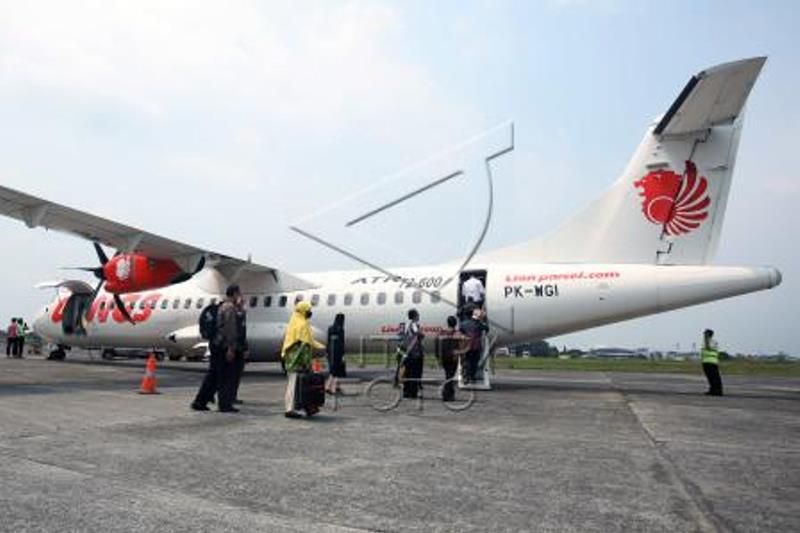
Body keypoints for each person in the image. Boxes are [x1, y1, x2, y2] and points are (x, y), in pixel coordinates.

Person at [281, 301, 325, 418]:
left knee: (293, 384)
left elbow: (307, 340)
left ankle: (297, 407)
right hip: (297, 359)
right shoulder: (302, 324)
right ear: (303, 311)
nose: (310, 312)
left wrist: (319, 346)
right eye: (308, 310)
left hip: (291, 357)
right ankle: (290, 409)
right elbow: (304, 344)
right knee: (294, 384)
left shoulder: (294, 321)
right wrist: (306, 362)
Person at [459, 306, 488, 383]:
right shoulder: (478, 324)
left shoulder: (463, 324)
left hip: (467, 346)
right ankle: (471, 377)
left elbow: (460, 332)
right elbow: (486, 329)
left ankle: (466, 376)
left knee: (466, 361)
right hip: (476, 346)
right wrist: (483, 320)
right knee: (474, 363)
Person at [437, 316, 463, 401]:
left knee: (448, 375)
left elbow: (438, 345)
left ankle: (450, 394)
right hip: (453, 358)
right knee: (450, 376)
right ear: (455, 324)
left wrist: (439, 357)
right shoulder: (457, 333)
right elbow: (460, 346)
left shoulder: (442, 333)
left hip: (444, 357)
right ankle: (446, 394)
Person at [400, 308, 425, 399]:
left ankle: (406, 392)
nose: (418, 316)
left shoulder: (406, 325)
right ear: (415, 316)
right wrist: (422, 334)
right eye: (417, 315)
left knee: (408, 372)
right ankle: (412, 392)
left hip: (407, 351)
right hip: (415, 352)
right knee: (415, 373)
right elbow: (417, 333)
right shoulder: (414, 324)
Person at [231, 294, 248, 405]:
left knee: (236, 375)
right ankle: (227, 399)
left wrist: (246, 348)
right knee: (230, 375)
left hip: (240, 349)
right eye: (241, 302)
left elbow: (243, 334)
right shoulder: (234, 315)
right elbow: (232, 333)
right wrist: (230, 348)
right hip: (234, 348)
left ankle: (232, 396)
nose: (243, 304)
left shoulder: (241, 316)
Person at [325, 313, 346, 395]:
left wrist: (327, 351)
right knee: (336, 371)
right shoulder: (341, 329)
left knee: (332, 371)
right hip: (338, 352)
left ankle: (333, 387)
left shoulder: (330, 328)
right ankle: (331, 387)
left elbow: (328, 341)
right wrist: (343, 354)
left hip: (330, 351)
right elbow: (341, 343)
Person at [701, 329, 723, 396]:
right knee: (710, 378)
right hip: (707, 362)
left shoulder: (711, 341)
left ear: (708, 334)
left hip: (711, 362)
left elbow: (708, 348)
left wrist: (706, 339)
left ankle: (718, 391)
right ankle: (712, 390)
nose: (704, 335)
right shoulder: (707, 341)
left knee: (714, 377)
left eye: (705, 334)